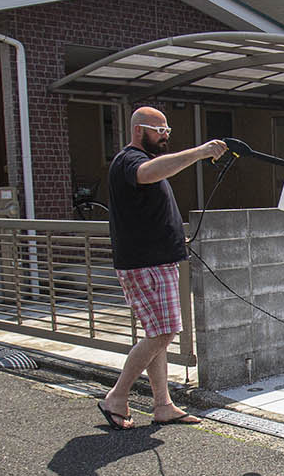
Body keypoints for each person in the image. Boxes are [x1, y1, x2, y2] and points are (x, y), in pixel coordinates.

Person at [97, 107, 226, 429]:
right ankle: (116, 396)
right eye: (160, 130)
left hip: (158, 261)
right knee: (164, 333)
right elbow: (148, 173)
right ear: (139, 130)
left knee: (158, 335)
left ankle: (163, 405)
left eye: (168, 130)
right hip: (145, 265)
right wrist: (200, 152)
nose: (166, 136)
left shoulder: (145, 162)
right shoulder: (129, 161)